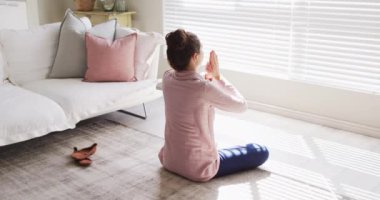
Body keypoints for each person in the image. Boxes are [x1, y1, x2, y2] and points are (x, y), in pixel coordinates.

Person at [158, 29, 269, 182]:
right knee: (260, 151)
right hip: (199, 169)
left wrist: (208, 78)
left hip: (169, 161)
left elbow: (186, 81)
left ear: (171, 59)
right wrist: (218, 77)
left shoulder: (167, 78)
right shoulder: (203, 88)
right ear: (195, 57)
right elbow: (241, 105)